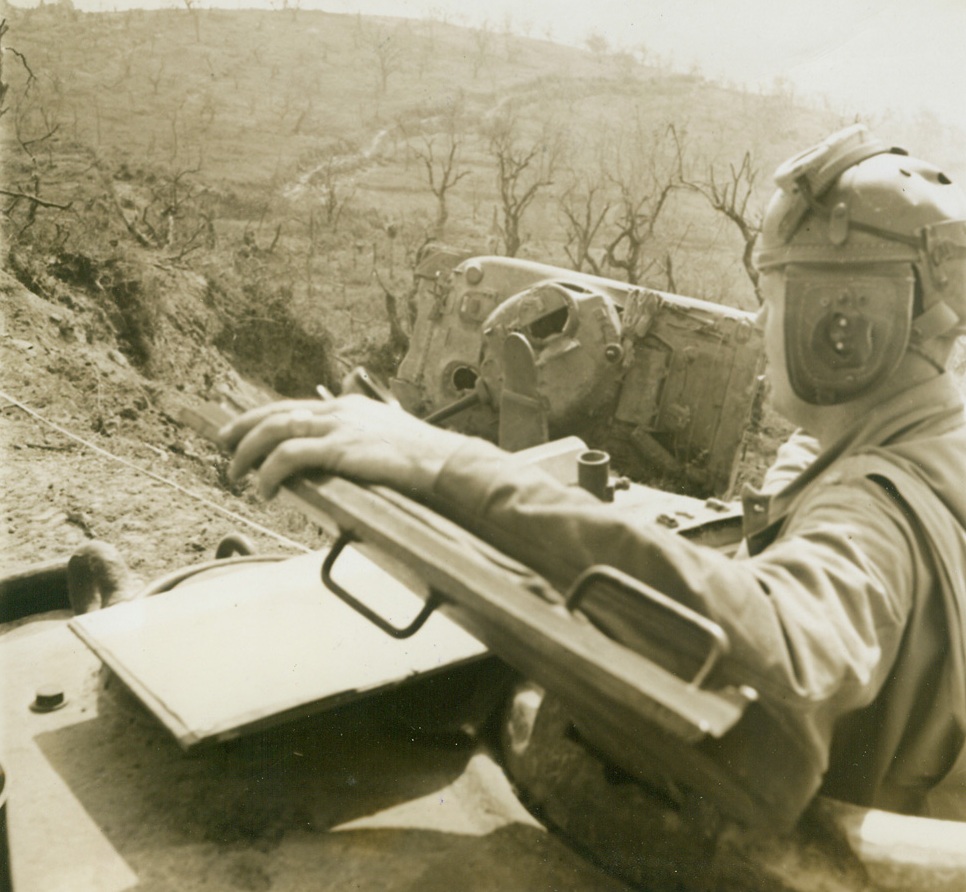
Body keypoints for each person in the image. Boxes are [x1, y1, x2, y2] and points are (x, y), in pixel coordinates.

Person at [219, 125, 966, 821]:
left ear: (845, 329)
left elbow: (789, 656)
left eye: (772, 300)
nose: (760, 327)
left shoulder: (873, 510)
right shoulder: (922, 441)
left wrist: (447, 464)